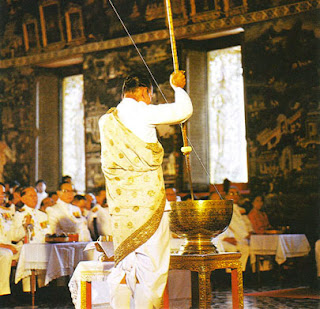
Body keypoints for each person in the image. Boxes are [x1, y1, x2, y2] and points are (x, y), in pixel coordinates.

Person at [99, 70, 192, 308]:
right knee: (153, 268)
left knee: (124, 264)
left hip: (121, 207)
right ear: (143, 92)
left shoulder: (106, 120)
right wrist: (178, 87)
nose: (150, 99)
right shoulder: (142, 111)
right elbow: (183, 112)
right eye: (150, 95)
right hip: (149, 205)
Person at [11, 186, 50, 292]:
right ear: (23, 199)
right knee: (29, 255)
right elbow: (14, 236)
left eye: (36, 196)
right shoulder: (19, 215)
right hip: (25, 246)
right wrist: (24, 226)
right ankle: (28, 291)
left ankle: (44, 289)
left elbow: (47, 232)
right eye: (31, 196)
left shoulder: (43, 215)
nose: (35, 198)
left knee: (47, 253)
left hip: (42, 245)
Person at [217, 186, 253, 271]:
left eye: (237, 193)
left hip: (240, 237)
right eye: (232, 193)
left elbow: (243, 224)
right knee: (241, 249)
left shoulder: (238, 208)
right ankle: (234, 275)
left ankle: (240, 274)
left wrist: (249, 233)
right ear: (226, 195)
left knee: (248, 249)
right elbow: (234, 226)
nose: (235, 196)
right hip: (231, 237)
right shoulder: (225, 208)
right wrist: (246, 235)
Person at [0, 182, 18, 297]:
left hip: (7, 245)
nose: (2, 196)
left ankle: (23, 292)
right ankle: (3, 293)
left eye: (3, 194)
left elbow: (12, 234)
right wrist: (5, 246)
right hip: (3, 248)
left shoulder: (5, 212)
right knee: (6, 254)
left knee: (27, 251)